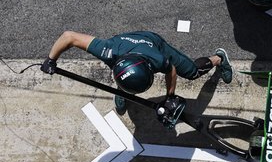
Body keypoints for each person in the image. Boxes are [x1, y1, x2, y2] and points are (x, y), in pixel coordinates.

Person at [42, 30, 232, 116]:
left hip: (153, 42)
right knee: (126, 79)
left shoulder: (160, 59)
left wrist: (170, 96)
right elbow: (69, 37)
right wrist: (51, 59)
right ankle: (124, 89)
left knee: (192, 72)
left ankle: (219, 58)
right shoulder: (107, 51)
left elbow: (171, 70)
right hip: (123, 49)